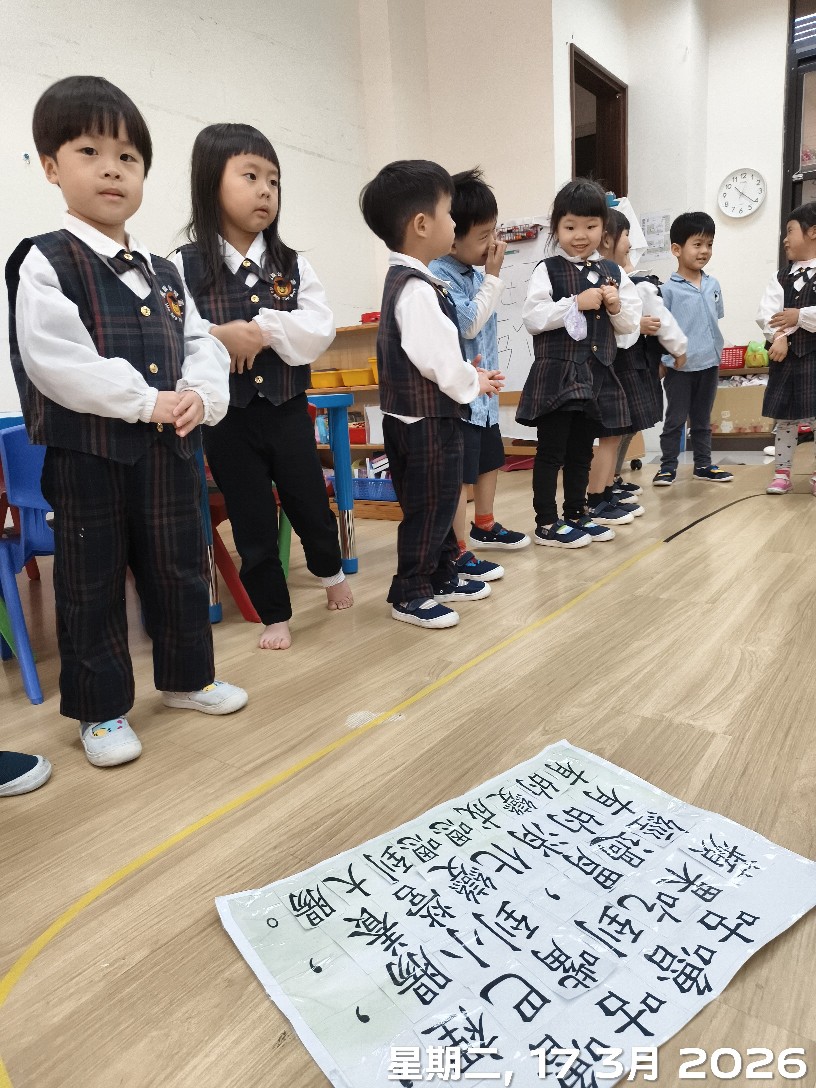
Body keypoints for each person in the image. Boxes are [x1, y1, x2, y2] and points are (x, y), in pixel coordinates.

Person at [7, 76, 247, 770]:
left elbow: (201, 343)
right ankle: (101, 708)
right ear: (51, 167)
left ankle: (187, 678)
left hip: (170, 455)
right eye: (89, 152)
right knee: (92, 582)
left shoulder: (165, 272)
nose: (112, 169)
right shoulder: (44, 260)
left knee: (179, 567)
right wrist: (147, 401)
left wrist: (201, 395)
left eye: (129, 157)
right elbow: (56, 361)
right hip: (89, 459)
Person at [174, 124, 352, 651]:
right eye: (250, 177)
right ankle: (274, 613)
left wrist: (265, 329)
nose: (265, 191)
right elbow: (176, 335)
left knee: (310, 504)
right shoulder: (183, 266)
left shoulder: (292, 265)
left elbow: (318, 329)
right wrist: (219, 335)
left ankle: (330, 572)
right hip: (226, 420)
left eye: (273, 181)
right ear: (211, 184)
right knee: (251, 519)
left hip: (286, 409)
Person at [359, 160, 504, 628]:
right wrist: (472, 381)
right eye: (448, 213)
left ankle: (441, 575)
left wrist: (464, 372)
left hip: (414, 419)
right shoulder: (418, 289)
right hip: (427, 426)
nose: (454, 223)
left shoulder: (409, 280)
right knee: (430, 510)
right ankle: (411, 591)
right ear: (422, 225)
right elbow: (436, 359)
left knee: (437, 506)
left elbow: (432, 353)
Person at [517, 178, 640, 547]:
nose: (580, 235)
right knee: (551, 451)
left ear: (604, 228)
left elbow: (629, 326)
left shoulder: (613, 272)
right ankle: (546, 522)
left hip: (596, 374)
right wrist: (575, 303)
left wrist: (615, 307)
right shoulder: (548, 269)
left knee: (581, 451)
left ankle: (576, 513)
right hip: (558, 373)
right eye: (570, 227)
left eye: (590, 226)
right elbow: (533, 317)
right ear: (557, 228)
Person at [429, 168, 530, 583]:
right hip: (460, 395)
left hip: (484, 392)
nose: (493, 243)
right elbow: (468, 324)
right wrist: (493, 278)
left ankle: (484, 524)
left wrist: (486, 277)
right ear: (452, 237)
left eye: (494, 231)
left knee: (490, 459)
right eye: (484, 235)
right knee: (459, 477)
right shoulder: (439, 274)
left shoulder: (473, 272)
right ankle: (457, 549)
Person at [599, 209, 686, 503]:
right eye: (626, 236)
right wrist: (677, 348)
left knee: (626, 427)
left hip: (633, 361)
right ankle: (605, 483)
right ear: (609, 239)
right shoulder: (615, 281)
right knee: (618, 427)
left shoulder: (631, 281)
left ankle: (612, 478)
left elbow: (654, 320)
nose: (630, 243)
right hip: (620, 364)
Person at [653, 212, 734, 486]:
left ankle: (703, 465)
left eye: (709, 244)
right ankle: (667, 467)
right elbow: (662, 331)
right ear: (677, 249)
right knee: (675, 419)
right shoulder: (667, 291)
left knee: (702, 419)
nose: (704, 251)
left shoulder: (713, 285)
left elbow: (713, 319)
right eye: (697, 244)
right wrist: (664, 360)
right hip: (680, 366)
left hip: (709, 363)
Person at [757, 201, 816, 495]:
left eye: (790, 231)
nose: (785, 239)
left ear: (813, 232)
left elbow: (797, 315)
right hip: (787, 360)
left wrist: (800, 316)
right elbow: (766, 312)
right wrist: (778, 335)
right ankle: (782, 472)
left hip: (814, 357)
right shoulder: (780, 276)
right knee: (785, 419)